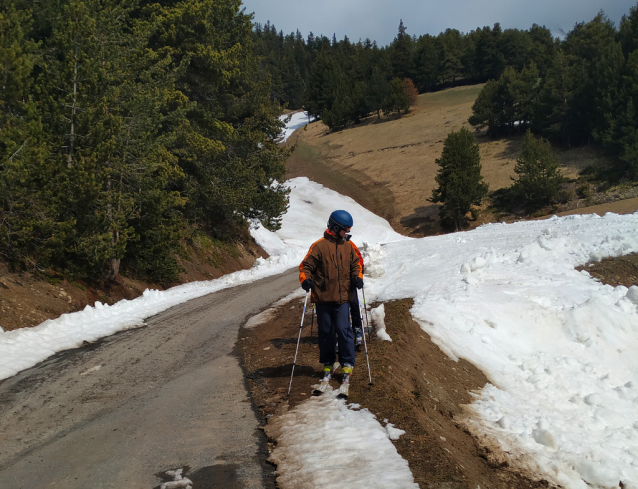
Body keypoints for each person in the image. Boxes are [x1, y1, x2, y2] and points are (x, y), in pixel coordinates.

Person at [299, 210, 363, 393]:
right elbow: (306, 266)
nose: (348, 233)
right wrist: (305, 280)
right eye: (345, 230)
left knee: (344, 330)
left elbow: (356, 265)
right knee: (326, 332)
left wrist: (357, 277)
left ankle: (347, 363)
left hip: (343, 298)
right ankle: (328, 363)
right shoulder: (319, 246)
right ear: (336, 228)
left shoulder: (348, 246)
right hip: (323, 298)